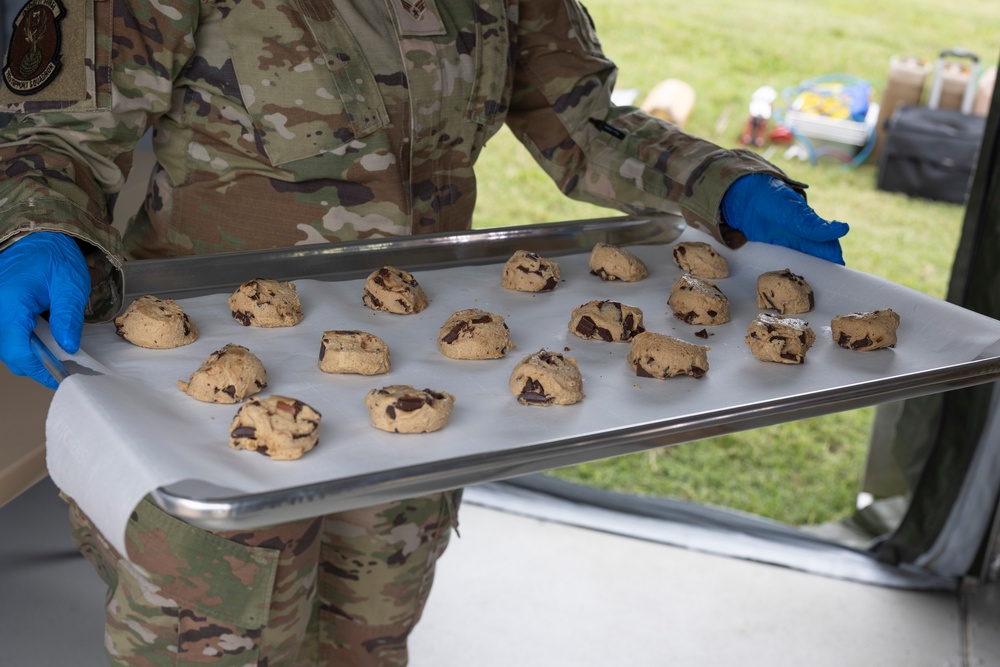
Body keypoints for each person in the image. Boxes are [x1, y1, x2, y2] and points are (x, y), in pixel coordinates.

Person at [0, 0, 848, 664]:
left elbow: (582, 121)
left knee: (367, 638)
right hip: (215, 397)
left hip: (413, 385)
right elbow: (55, 130)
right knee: (215, 642)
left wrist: (727, 186)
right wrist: (34, 228)